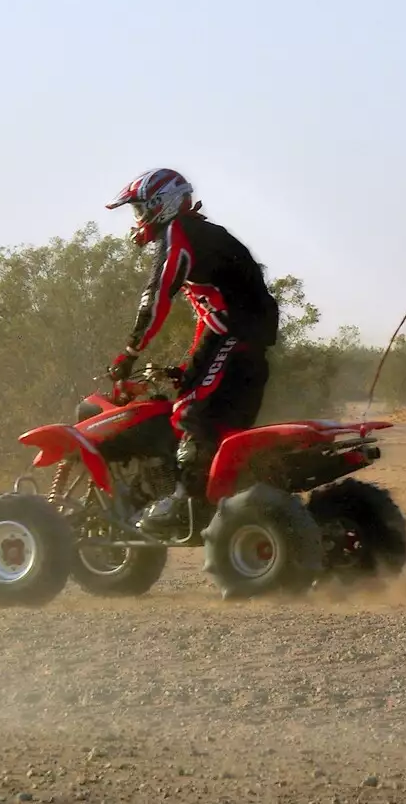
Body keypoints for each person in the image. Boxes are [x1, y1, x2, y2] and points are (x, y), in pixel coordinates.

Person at [105, 168, 279, 536]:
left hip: (236, 334)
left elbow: (154, 300)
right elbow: (211, 310)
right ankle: (225, 500)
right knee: (222, 425)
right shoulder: (203, 235)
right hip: (242, 338)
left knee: (188, 409)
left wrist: (129, 352)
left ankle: (185, 500)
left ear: (159, 205)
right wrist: (190, 365)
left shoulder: (180, 235)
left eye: (139, 210)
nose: (137, 220)